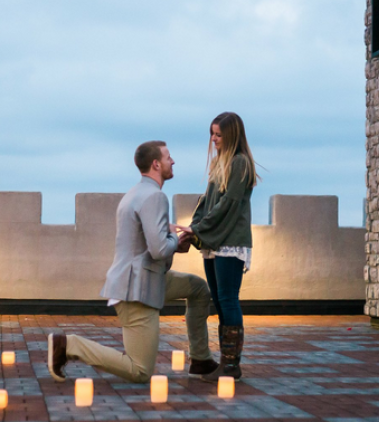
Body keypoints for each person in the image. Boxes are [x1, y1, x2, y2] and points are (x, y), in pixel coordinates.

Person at [47, 140, 218, 383]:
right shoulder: (155, 197)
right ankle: (69, 345)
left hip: (146, 278)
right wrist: (173, 238)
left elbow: (148, 245)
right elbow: (159, 250)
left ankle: (200, 359)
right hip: (137, 289)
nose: (173, 161)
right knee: (140, 370)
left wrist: (170, 241)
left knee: (198, 289)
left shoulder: (135, 193)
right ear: (156, 164)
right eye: (169, 157)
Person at [180, 112, 258, 382]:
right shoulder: (218, 163)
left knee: (227, 299)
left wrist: (200, 229)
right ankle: (225, 361)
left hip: (230, 242)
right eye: (212, 134)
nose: (213, 139)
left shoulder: (240, 163)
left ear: (232, 135)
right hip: (214, 243)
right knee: (220, 301)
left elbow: (229, 205)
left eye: (219, 135)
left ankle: (232, 364)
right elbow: (207, 202)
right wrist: (194, 226)